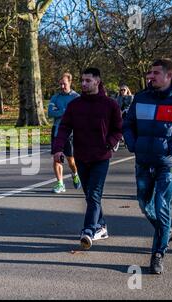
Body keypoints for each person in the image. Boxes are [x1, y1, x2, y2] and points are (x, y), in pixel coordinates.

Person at [123, 58, 172, 274]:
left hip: (166, 165)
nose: (151, 76)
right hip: (142, 161)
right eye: (150, 72)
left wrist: (170, 148)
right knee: (144, 204)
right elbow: (128, 124)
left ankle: (158, 253)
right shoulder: (140, 98)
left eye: (156, 73)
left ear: (169, 75)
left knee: (162, 207)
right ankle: (165, 230)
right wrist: (132, 143)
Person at [52, 68, 122, 250]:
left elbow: (118, 128)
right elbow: (65, 127)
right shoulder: (75, 105)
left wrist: (109, 143)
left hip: (101, 157)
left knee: (94, 195)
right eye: (82, 80)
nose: (83, 84)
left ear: (97, 81)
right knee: (90, 195)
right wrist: (57, 148)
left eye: (88, 80)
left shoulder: (110, 105)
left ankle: (88, 231)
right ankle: (102, 226)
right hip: (81, 157)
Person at [48, 72, 81, 193]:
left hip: (70, 133)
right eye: (60, 84)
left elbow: (77, 115)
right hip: (56, 130)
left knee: (70, 160)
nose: (62, 86)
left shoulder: (76, 97)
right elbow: (50, 113)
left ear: (70, 82)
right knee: (57, 158)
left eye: (64, 84)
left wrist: (60, 111)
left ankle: (75, 173)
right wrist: (65, 111)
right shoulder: (55, 97)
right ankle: (60, 184)